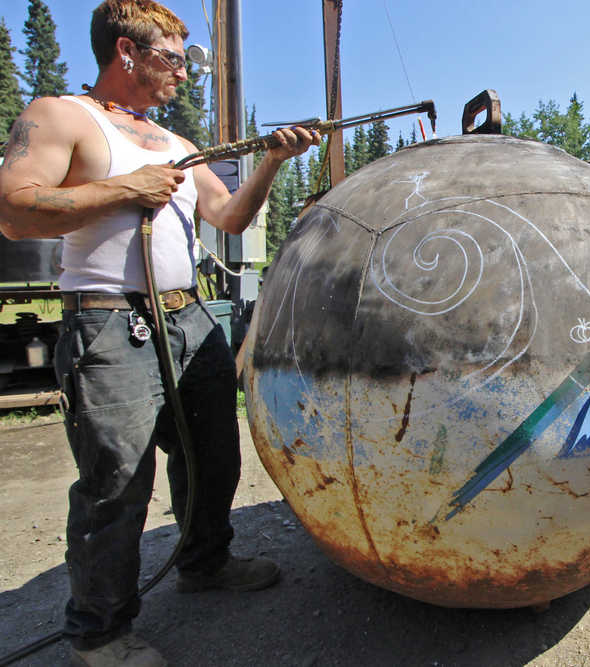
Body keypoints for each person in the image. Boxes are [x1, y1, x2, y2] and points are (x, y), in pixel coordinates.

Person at [0, 1, 319, 665]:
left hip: (188, 315)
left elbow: (228, 218)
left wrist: (269, 162)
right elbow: (14, 209)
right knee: (117, 478)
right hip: (109, 319)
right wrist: (126, 190)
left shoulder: (174, 144)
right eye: (171, 56)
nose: (182, 70)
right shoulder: (60, 115)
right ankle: (100, 631)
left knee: (214, 455)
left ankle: (205, 562)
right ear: (125, 52)